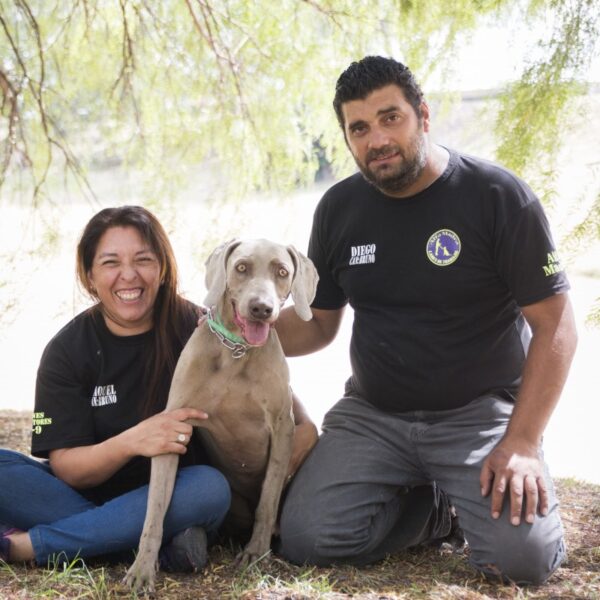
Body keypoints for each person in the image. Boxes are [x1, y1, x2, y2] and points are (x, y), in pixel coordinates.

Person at [275, 56, 577, 586]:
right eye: (359, 128)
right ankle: (435, 507)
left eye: (391, 118)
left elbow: (557, 327)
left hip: (478, 414)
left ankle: (461, 489)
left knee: (520, 563)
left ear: (423, 115)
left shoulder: (497, 197)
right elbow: (318, 325)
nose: (377, 140)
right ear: (347, 138)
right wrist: (235, 329)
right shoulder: (338, 209)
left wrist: (523, 443)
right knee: (308, 539)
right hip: (374, 414)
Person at [0, 205, 317, 570]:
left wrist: (304, 422)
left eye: (143, 260)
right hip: (85, 494)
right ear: (89, 275)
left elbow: (264, 382)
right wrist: (134, 440)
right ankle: (148, 539)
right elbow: (68, 468)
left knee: (210, 489)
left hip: (178, 491)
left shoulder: (198, 326)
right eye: (110, 263)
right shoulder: (67, 351)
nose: (128, 275)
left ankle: (36, 545)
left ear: (163, 267)